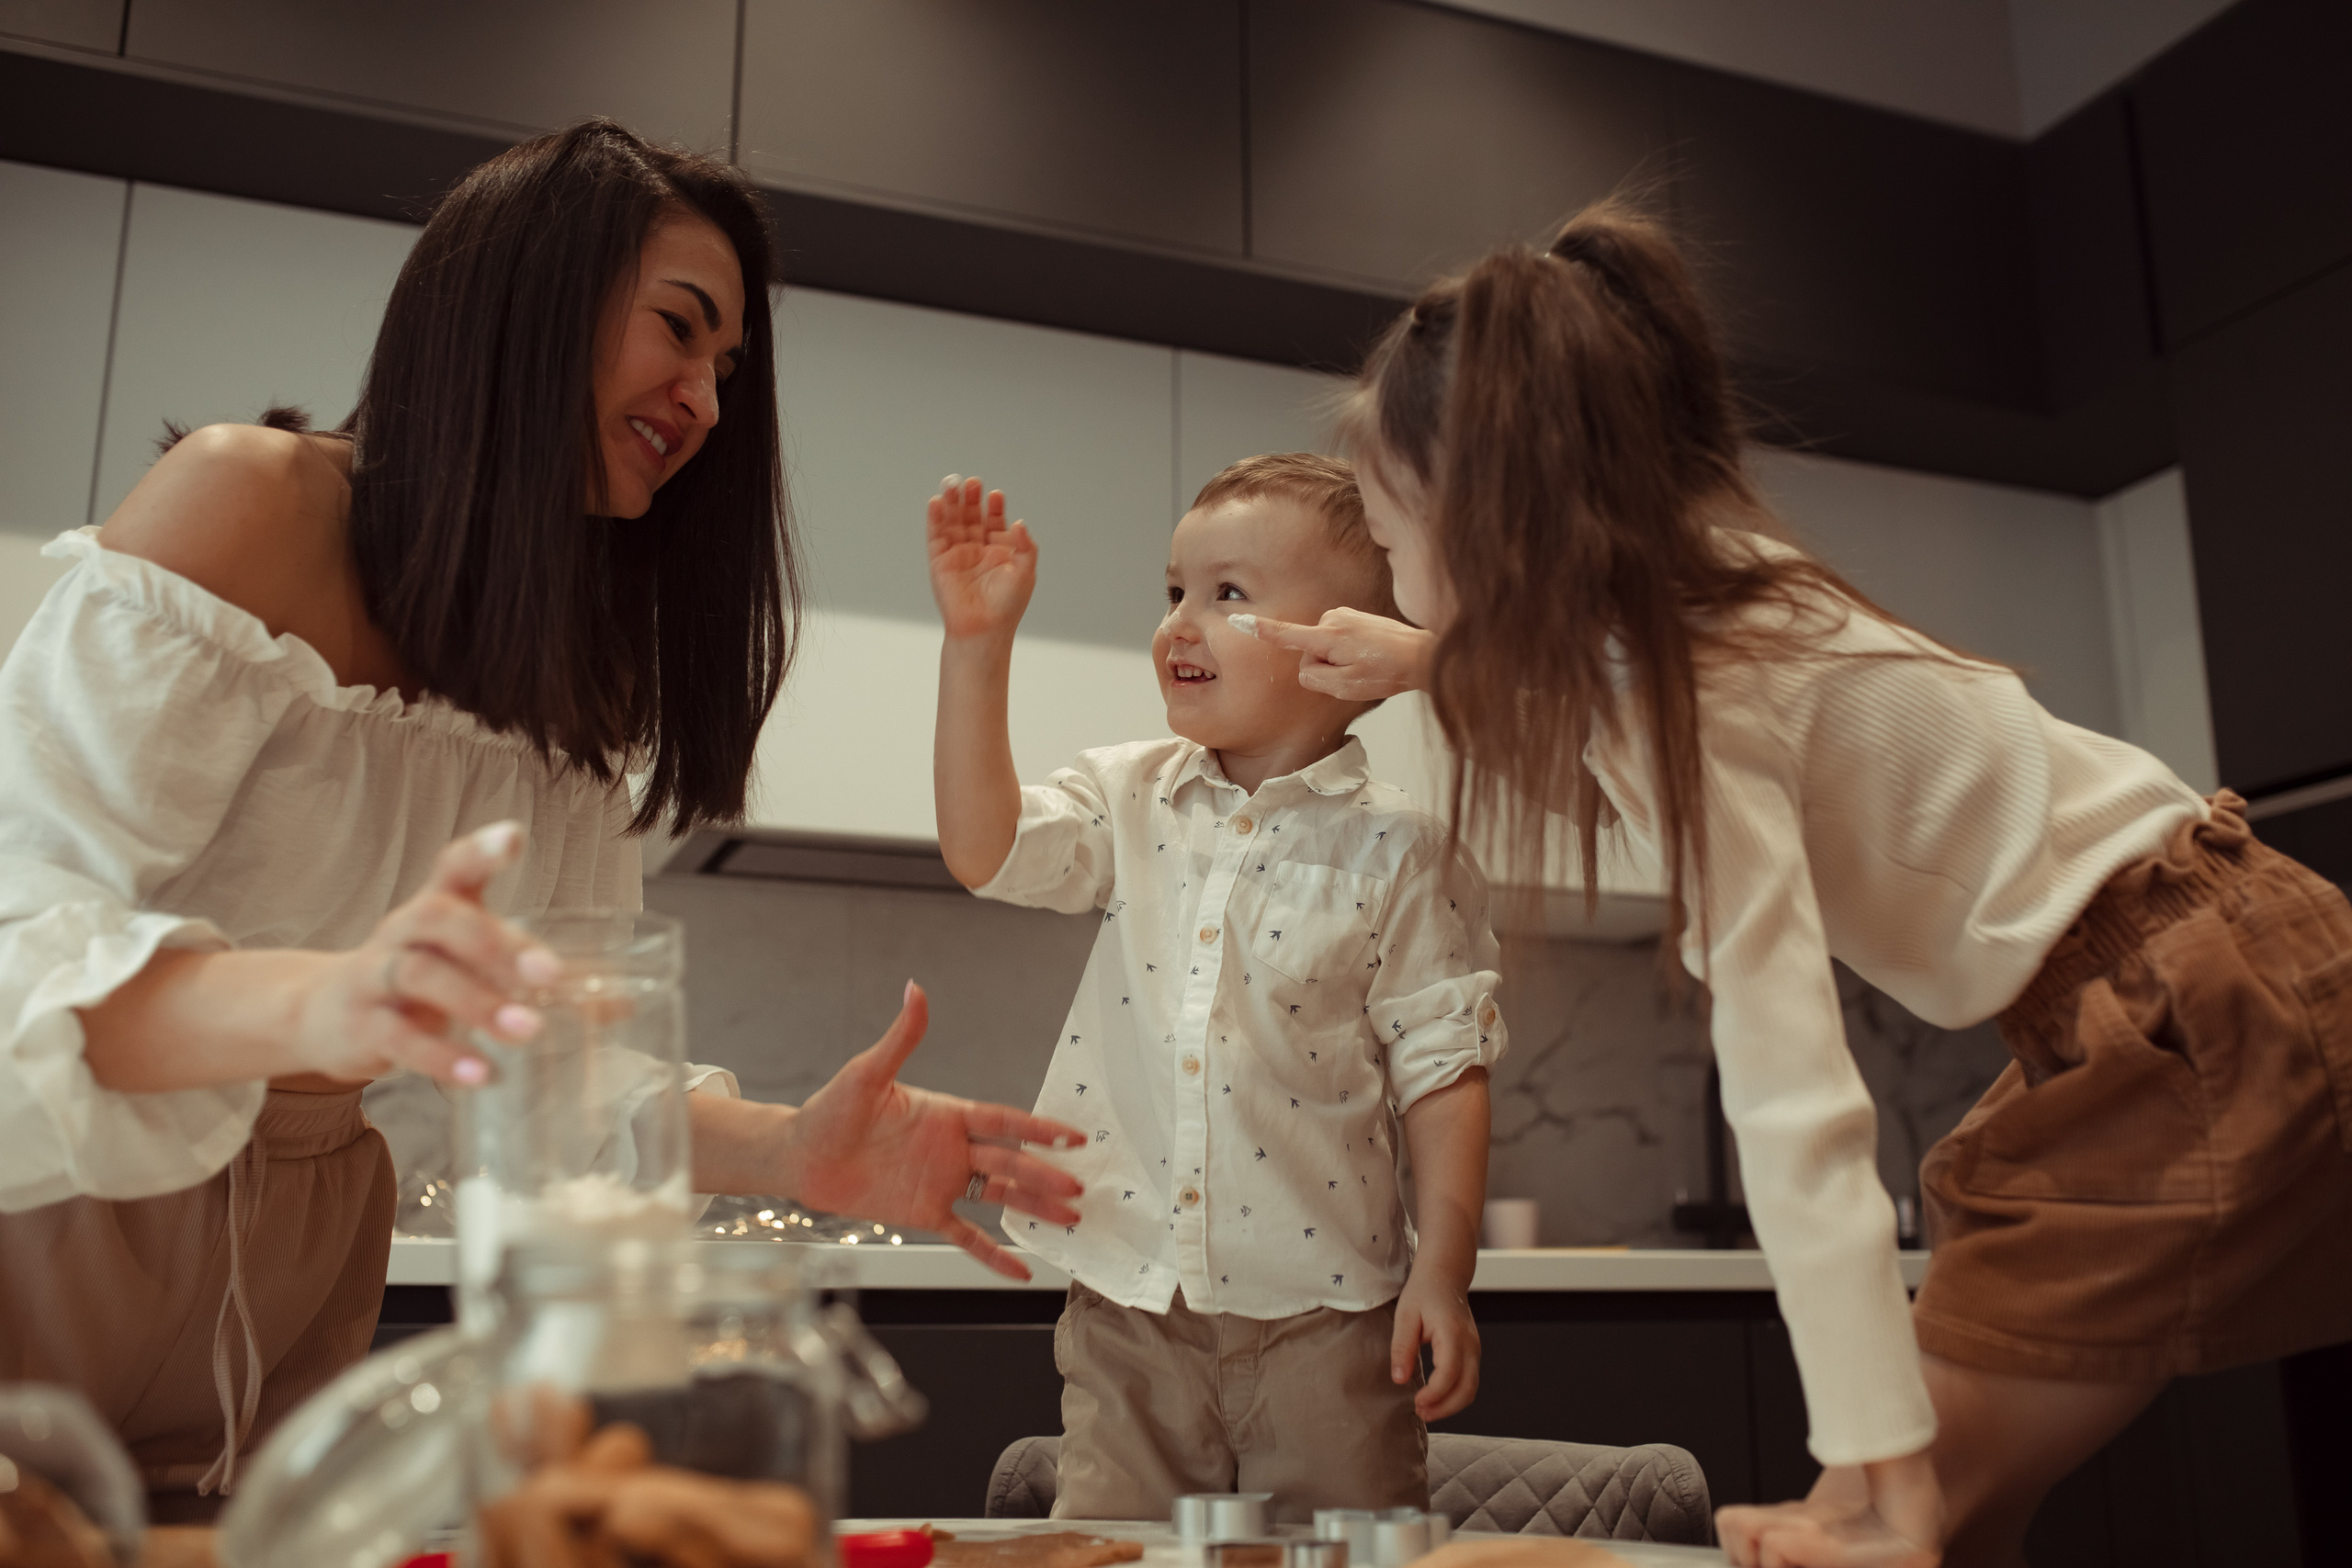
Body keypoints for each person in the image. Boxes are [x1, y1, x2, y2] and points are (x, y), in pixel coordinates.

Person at [1237, 202, 2352, 1567]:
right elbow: (1597, 706)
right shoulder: (1713, 605)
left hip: (2189, 1001)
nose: (1391, 573)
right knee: (1932, 1512)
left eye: (1396, 535)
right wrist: (1429, 660)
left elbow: (1792, 1089)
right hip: (2180, 979)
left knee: (1903, 1518)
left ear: (1489, 521)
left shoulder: (1702, 689)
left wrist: (1869, 1464)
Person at [0, 120, 1082, 1504]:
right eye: (678, 332)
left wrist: (793, 1148)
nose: (703, 400)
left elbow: (566, 1064)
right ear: (523, 304)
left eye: (727, 371)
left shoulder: (572, 665)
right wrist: (328, 999)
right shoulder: (249, 501)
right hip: (62, 1208)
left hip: (308, 1240)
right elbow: (25, 928)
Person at [924, 455, 1507, 1520]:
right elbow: (984, 850)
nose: (1179, 623)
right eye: (1173, 592)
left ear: (1344, 647)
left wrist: (1444, 1272)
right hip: (1126, 1309)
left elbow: (1443, 1074)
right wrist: (976, 646)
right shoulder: (1128, 797)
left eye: (1227, 595)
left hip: (1331, 1325)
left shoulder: (1402, 848)